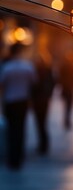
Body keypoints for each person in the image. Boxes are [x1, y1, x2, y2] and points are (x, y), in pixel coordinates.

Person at [0, 42, 37, 170]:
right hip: (23, 101)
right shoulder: (27, 67)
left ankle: (12, 158)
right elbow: (33, 82)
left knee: (11, 129)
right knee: (20, 128)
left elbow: (2, 84)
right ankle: (19, 156)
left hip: (10, 101)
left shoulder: (7, 67)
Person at [31, 50, 55, 155]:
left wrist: (48, 94)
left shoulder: (44, 71)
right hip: (39, 99)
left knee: (41, 122)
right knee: (40, 122)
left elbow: (52, 83)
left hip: (41, 99)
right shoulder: (42, 70)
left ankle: (43, 144)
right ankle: (43, 144)